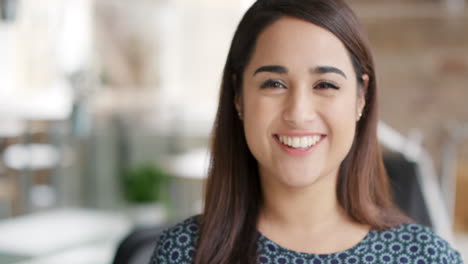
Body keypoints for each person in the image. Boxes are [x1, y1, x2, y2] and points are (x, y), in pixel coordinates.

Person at [150, 0, 464, 263]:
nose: (299, 113)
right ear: (238, 95)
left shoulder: (423, 257)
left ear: (360, 98)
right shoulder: (184, 253)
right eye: (274, 83)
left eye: (325, 85)